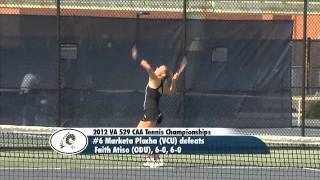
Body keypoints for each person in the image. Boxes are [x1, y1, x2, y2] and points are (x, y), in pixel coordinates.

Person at [132, 47, 180, 167]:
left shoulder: (156, 80)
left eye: (160, 68)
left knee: (140, 135)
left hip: (152, 112)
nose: (157, 68)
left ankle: (155, 159)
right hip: (153, 112)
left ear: (162, 74)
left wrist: (138, 58)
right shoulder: (161, 84)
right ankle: (154, 158)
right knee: (143, 135)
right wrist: (174, 81)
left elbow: (148, 68)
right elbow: (172, 91)